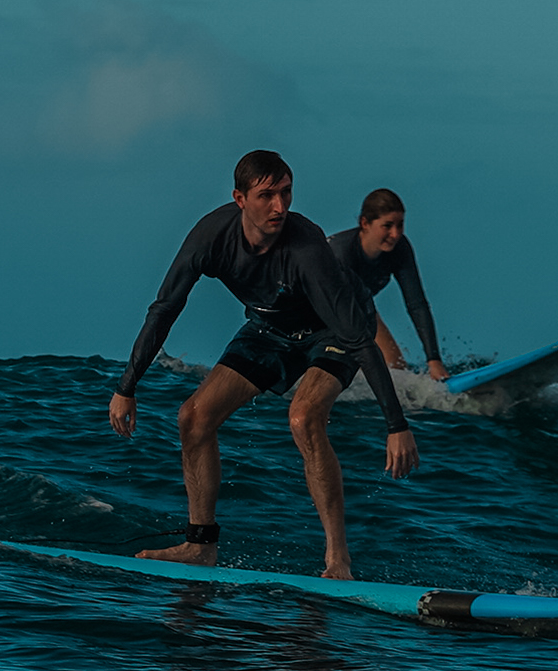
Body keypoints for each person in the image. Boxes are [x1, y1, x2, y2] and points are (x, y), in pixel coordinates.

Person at [107, 149, 420, 579]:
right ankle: (200, 546)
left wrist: (396, 426)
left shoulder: (305, 246)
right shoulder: (210, 237)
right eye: (267, 195)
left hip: (335, 332)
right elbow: (165, 307)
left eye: (287, 193)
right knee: (193, 417)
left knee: (304, 416)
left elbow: (358, 339)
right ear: (240, 198)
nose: (280, 206)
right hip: (270, 328)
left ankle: (338, 560)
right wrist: (127, 386)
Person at [330, 188, 446, 383]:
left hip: (359, 307)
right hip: (315, 309)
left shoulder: (399, 249)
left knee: (396, 369)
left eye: (400, 225)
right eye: (387, 226)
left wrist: (433, 360)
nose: (395, 233)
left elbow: (416, 304)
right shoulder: (341, 253)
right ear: (365, 223)